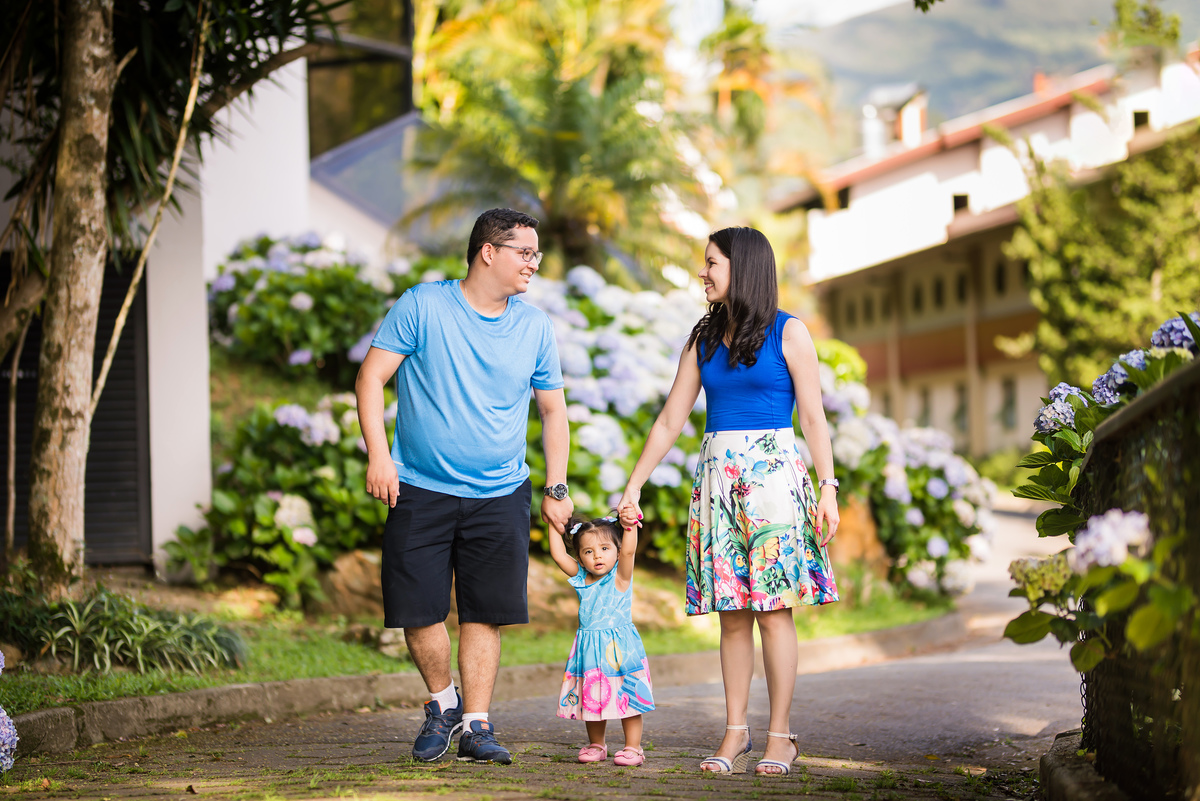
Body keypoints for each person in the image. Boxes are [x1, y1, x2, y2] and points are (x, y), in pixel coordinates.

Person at [617, 226, 840, 777]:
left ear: (741, 268)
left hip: (773, 485)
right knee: (732, 616)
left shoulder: (791, 333)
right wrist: (634, 485)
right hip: (719, 482)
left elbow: (813, 418)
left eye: (712, 262)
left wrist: (829, 488)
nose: (703, 271)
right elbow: (672, 417)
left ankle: (780, 735)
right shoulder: (703, 337)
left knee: (772, 613)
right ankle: (735, 730)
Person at [356, 208, 574, 765]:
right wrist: (379, 457)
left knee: (485, 611)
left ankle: (476, 724)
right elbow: (371, 377)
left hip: (501, 492)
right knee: (416, 608)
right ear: (488, 252)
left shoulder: (534, 326)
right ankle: (442, 703)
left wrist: (556, 487)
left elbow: (552, 410)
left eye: (536, 254)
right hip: (419, 487)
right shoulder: (423, 306)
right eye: (525, 252)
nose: (534, 263)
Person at [549, 514, 655, 767]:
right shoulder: (582, 579)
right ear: (581, 558)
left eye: (605, 549)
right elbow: (558, 555)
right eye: (588, 551)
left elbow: (629, 552)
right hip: (590, 651)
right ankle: (597, 744)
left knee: (627, 696)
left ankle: (633, 747)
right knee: (592, 696)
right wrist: (553, 525)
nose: (597, 556)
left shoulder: (620, 576)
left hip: (620, 650)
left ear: (616, 552)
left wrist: (629, 525)